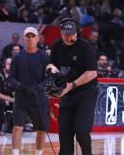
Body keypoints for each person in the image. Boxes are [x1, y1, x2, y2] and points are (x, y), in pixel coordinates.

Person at [47, 19, 98, 155]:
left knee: (81, 130)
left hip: (86, 92)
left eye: (71, 34)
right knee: (64, 131)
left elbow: (92, 72)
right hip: (67, 92)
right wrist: (53, 72)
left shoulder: (85, 46)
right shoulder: (57, 45)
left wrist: (72, 85)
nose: (68, 37)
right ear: (61, 33)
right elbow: (51, 64)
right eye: (65, 34)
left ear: (77, 33)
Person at [9, 27, 50, 155]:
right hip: (21, 97)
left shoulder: (44, 57)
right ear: (24, 39)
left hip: (39, 98)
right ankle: (15, 153)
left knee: (41, 129)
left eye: (33, 36)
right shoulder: (17, 57)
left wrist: (40, 87)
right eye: (28, 36)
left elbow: (49, 78)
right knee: (17, 127)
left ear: (38, 38)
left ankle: (39, 153)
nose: (30, 39)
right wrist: (20, 86)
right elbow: (11, 78)